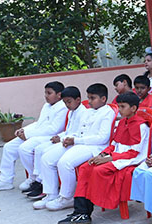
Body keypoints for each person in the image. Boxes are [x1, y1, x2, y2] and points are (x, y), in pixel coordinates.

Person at [58, 92, 151, 224]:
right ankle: (79, 211)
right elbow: (114, 144)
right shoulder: (122, 122)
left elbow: (134, 152)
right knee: (86, 167)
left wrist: (109, 158)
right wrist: (102, 155)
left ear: (133, 108)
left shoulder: (141, 126)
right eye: (119, 106)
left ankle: (85, 212)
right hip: (116, 156)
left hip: (129, 160)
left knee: (98, 170)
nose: (119, 110)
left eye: (123, 107)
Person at [37, 83, 116, 211]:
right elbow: (78, 131)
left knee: (65, 163)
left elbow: (102, 138)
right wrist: (67, 139)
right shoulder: (89, 111)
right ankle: (51, 194)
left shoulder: (108, 113)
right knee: (47, 158)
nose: (89, 101)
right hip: (80, 143)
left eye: (92, 98)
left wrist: (76, 140)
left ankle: (67, 197)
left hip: (95, 147)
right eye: (88, 98)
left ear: (103, 99)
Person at [0, 81, 67, 193]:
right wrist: (24, 130)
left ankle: (34, 178)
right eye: (45, 93)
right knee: (9, 147)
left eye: (49, 93)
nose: (46, 96)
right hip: (36, 134)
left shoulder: (63, 107)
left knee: (24, 149)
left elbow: (54, 129)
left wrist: (28, 135)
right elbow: (39, 123)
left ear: (59, 95)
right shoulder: (46, 106)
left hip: (50, 137)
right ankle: (5, 180)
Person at [30, 86, 86, 205]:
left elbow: (80, 133)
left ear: (78, 100)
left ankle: (64, 196)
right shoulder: (72, 112)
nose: (67, 105)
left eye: (69, 102)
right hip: (66, 140)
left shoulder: (84, 113)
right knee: (43, 154)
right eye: (65, 102)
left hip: (75, 143)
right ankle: (50, 193)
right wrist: (59, 136)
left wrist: (64, 139)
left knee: (51, 160)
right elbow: (68, 130)